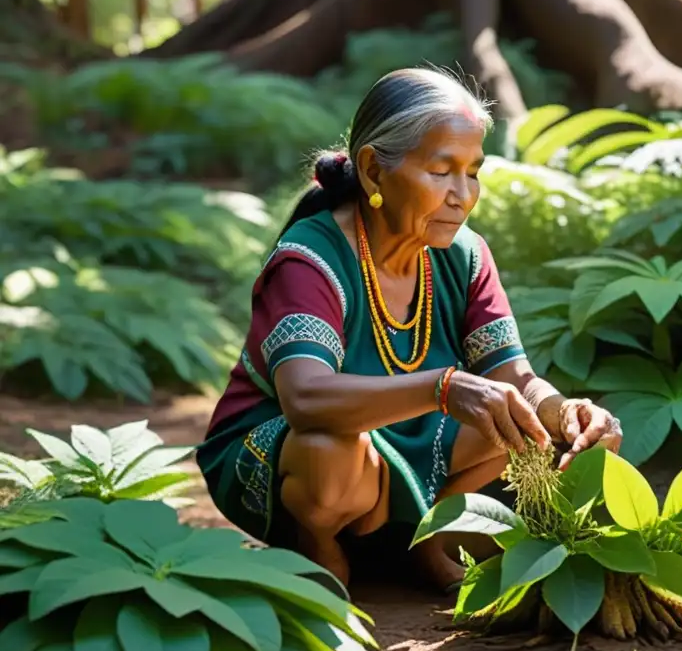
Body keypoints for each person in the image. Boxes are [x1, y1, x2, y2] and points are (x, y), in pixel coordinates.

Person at [197, 68, 622, 590]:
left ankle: (426, 539)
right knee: (330, 450)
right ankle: (319, 545)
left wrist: (565, 411)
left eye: (473, 172)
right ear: (374, 172)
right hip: (299, 452)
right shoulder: (310, 260)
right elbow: (305, 399)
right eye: (442, 171)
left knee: (528, 428)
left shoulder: (464, 255)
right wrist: (442, 389)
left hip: (414, 442)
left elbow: (513, 376)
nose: (463, 195)